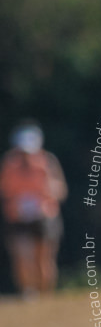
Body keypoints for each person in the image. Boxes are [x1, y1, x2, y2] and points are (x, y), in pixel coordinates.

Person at [0, 122, 67, 298]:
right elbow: (4, 190)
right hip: (18, 217)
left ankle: (46, 295)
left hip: (43, 216)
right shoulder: (9, 165)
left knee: (43, 259)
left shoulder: (47, 162)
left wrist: (46, 192)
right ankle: (28, 294)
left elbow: (61, 191)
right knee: (21, 257)